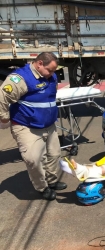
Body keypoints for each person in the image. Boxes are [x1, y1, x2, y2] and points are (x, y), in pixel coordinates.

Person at [0, 52, 66, 201]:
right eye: (50, 70)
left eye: (54, 71)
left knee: (54, 155)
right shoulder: (20, 79)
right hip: (27, 126)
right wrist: (4, 119)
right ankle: (42, 187)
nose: (52, 74)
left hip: (48, 125)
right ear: (40, 63)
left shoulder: (50, 76)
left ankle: (52, 181)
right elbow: (2, 98)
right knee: (34, 159)